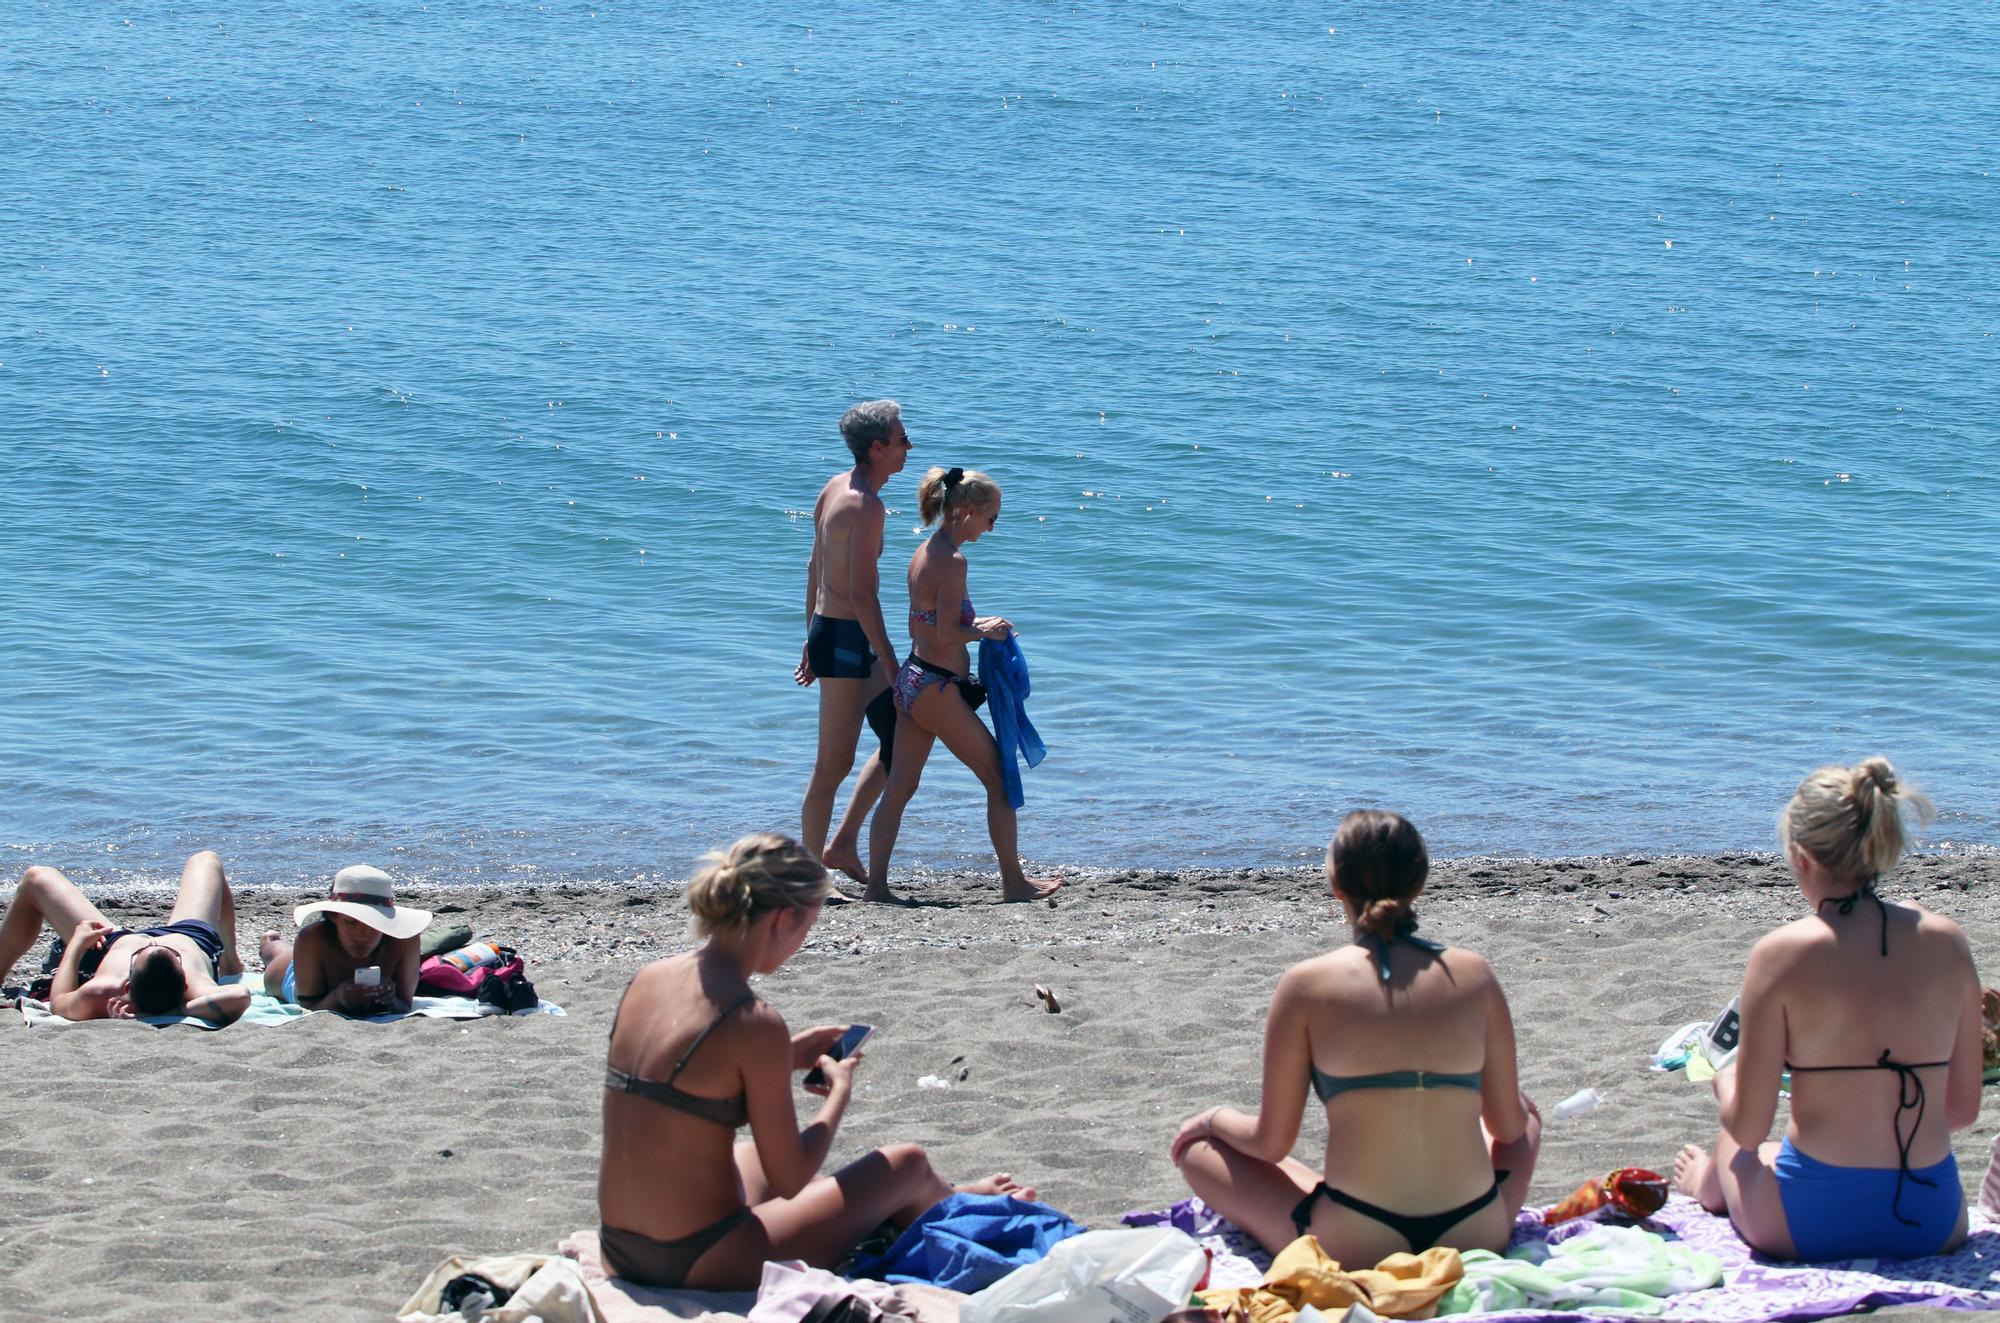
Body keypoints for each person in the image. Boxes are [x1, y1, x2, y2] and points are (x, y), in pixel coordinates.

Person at [597, 832, 1033, 1288]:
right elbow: (790, 1179)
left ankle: (935, 1196)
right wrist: (838, 1095)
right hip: (695, 1260)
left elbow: (672, 1080)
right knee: (905, 1162)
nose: (801, 943)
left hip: (620, 1248)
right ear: (783, 919)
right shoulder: (750, 1019)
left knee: (747, 1156)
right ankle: (945, 1199)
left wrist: (782, 1058)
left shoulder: (648, 978)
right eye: (807, 928)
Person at [1169, 811, 1540, 1260]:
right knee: (1525, 1116)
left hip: (1355, 1241)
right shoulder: (1475, 974)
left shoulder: (1306, 985)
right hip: (1475, 1231)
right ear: (1419, 883)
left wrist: (1213, 1118)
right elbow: (1508, 1128)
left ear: (1336, 886)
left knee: (1199, 1150)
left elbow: (1270, 1144)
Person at [1673, 758, 1980, 1261]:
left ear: (1801, 855)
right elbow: (1960, 1111)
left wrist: (1723, 1080)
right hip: (1934, 1220)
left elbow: (1750, 1125)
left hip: (1808, 1224)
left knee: (1744, 1148)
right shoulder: (1948, 942)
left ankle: (1709, 1183)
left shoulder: (1782, 953)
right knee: (1770, 1152)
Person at [863, 466, 1063, 905]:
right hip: (936, 688)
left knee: (899, 787)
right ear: (967, 511)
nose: (992, 527)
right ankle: (1014, 882)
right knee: (998, 777)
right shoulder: (953, 561)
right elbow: (947, 634)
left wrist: (975, 625)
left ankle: (877, 888)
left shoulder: (924, 552)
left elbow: (927, 622)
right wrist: (985, 632)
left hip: (913, 679)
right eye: (991, 518)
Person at [797, 399, 913, 887]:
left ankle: (842, 843)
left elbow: (813, 570)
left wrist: (809, 638)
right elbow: (862, 593)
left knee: (901, 737)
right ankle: (806, 882)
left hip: (836, 633)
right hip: (846, 640)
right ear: (877, 447)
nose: (910, 445)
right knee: (833, 765)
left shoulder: (837, 486)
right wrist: (888, 661)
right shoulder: (864, 504)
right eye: (902, 437)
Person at [0, 851, 250, 1025]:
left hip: (108, 945)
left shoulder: (104, 989)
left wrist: (75, 945)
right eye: (171, 955)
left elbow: (60, 1002)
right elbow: (240, 996)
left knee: (36, 878)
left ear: (127, 986)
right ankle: (230, 960)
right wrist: (181, 1010)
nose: (153, 941)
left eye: (139, 955)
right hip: (190, 937)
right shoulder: (198, 988)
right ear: (185, 983)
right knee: (206, 860)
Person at [259, 864, 432, 1014]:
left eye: (373, 925)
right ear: (334, 917)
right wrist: (338, 997)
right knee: (276, 953)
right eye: (351, 923)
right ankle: (268, 942)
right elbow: (307, 1007)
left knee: (289, 952)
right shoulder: (313, 939)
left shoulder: (404, 940)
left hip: (311, 961)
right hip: (298, 977)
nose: (361, 936)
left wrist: (389, 998)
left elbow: (404, 1004)